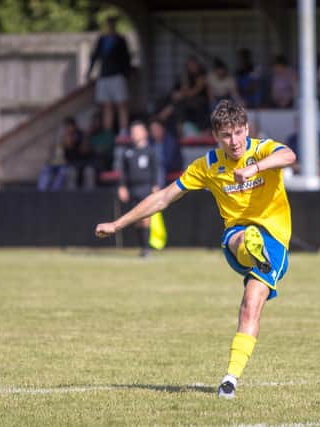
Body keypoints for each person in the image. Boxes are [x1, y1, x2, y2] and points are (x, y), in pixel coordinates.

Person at [95, 100, 296, 399]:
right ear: (216, 135)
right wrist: (118, 224)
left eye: (239, 132)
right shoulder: (208, 165)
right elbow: (163, 197)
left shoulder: (261, 149)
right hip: (236, 235)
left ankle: (230, 379)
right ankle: (251, 248)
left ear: (247, 129)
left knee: (250, 304)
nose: (235, 141)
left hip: (276, 240)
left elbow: (289, 155)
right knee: (242, 238)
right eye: (227, 135)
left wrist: (255, 168)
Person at [116, 121, 160, 257]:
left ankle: (147, 248)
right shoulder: (127, 152)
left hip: (146, 188)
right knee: (137, 220)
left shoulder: (150, 151)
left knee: (146, 217)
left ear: (144, 133)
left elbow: (155, 170)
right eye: (132, 132)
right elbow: (123, 171)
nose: (134, 134)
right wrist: (122, 186)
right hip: (133, 189)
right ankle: (142, 247)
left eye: (137, 131)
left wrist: (155, 185)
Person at [87, 16, 132, 138]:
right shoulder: (101, 39)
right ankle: (108, 132)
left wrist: (126, 73)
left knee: (121, 104)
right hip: (104, 75)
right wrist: (89, 73)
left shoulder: (120, 39)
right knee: (107, 105)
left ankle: (123, 131)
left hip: (117, 75)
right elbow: (95, 56)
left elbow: (126, 58)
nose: (110, 26)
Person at [148, 118, 183, 188]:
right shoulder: (149, 142)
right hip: (153, 168)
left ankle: (158, 190)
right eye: (152, 130)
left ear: (162, 128)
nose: (155, 132)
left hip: (169, 168)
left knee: (159, 168)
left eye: (156, 129)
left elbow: (169, 161)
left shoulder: (170, 141)